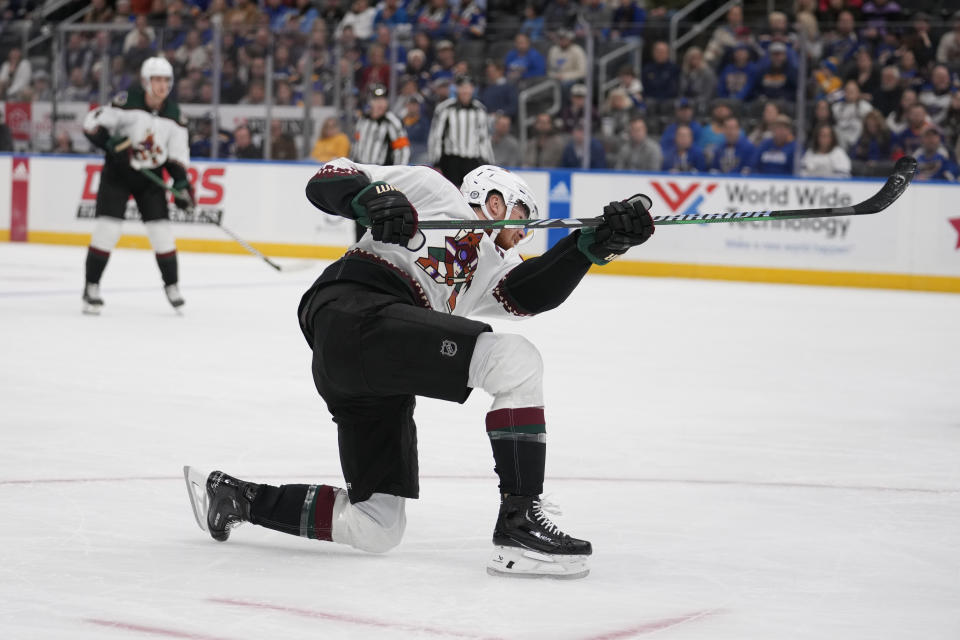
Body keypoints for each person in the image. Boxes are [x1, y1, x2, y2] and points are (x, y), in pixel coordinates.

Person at [185, 160, 656, 579]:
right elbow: (327, 178)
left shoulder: (492, 268)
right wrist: (373, 197)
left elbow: (529, 293)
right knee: (517, 360)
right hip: (354, 307)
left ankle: (236, 498)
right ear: (494, 201)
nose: (523, 238)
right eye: (522, 221)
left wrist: (588, 247)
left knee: (378, 525)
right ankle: (519, 520)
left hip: (367, 361)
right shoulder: (433, 190)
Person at [80, 57, 192, 315]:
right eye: (157, 80)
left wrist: (182, 186)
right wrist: (109, 143)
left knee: (162, 232)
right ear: (145, 81)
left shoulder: (175, 117)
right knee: (107, 230)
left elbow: (176, 158)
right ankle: (91, 287)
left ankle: (172, 286)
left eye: (166, 80)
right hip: (118, 174)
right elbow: (91, 123)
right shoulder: (126, 102)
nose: (162, 85)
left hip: (149, 177)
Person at [352, 83, 411, 239]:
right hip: (362, 177)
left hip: (382, 179)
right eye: (376, 99)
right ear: (369, 102)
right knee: (359, 215)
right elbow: (357, 147)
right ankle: (359, 249)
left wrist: (397, 176)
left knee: (380, 218)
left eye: (383, 99)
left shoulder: (392, 122)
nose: (380, 103)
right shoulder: (362, 120)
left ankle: (378, 254)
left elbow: (403, 151)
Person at [428, 75, 494, 187]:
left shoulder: (479, 110)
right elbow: (436, 136)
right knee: (451, 194)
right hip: (450, 160)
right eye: (462, 87)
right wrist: (436, 162)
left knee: (471, 195)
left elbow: (484, 139)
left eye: (468, 87)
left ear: (473, 89)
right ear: (457, 88)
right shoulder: (445, 108)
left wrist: (489, 164)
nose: (465, 91)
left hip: (472, 161)